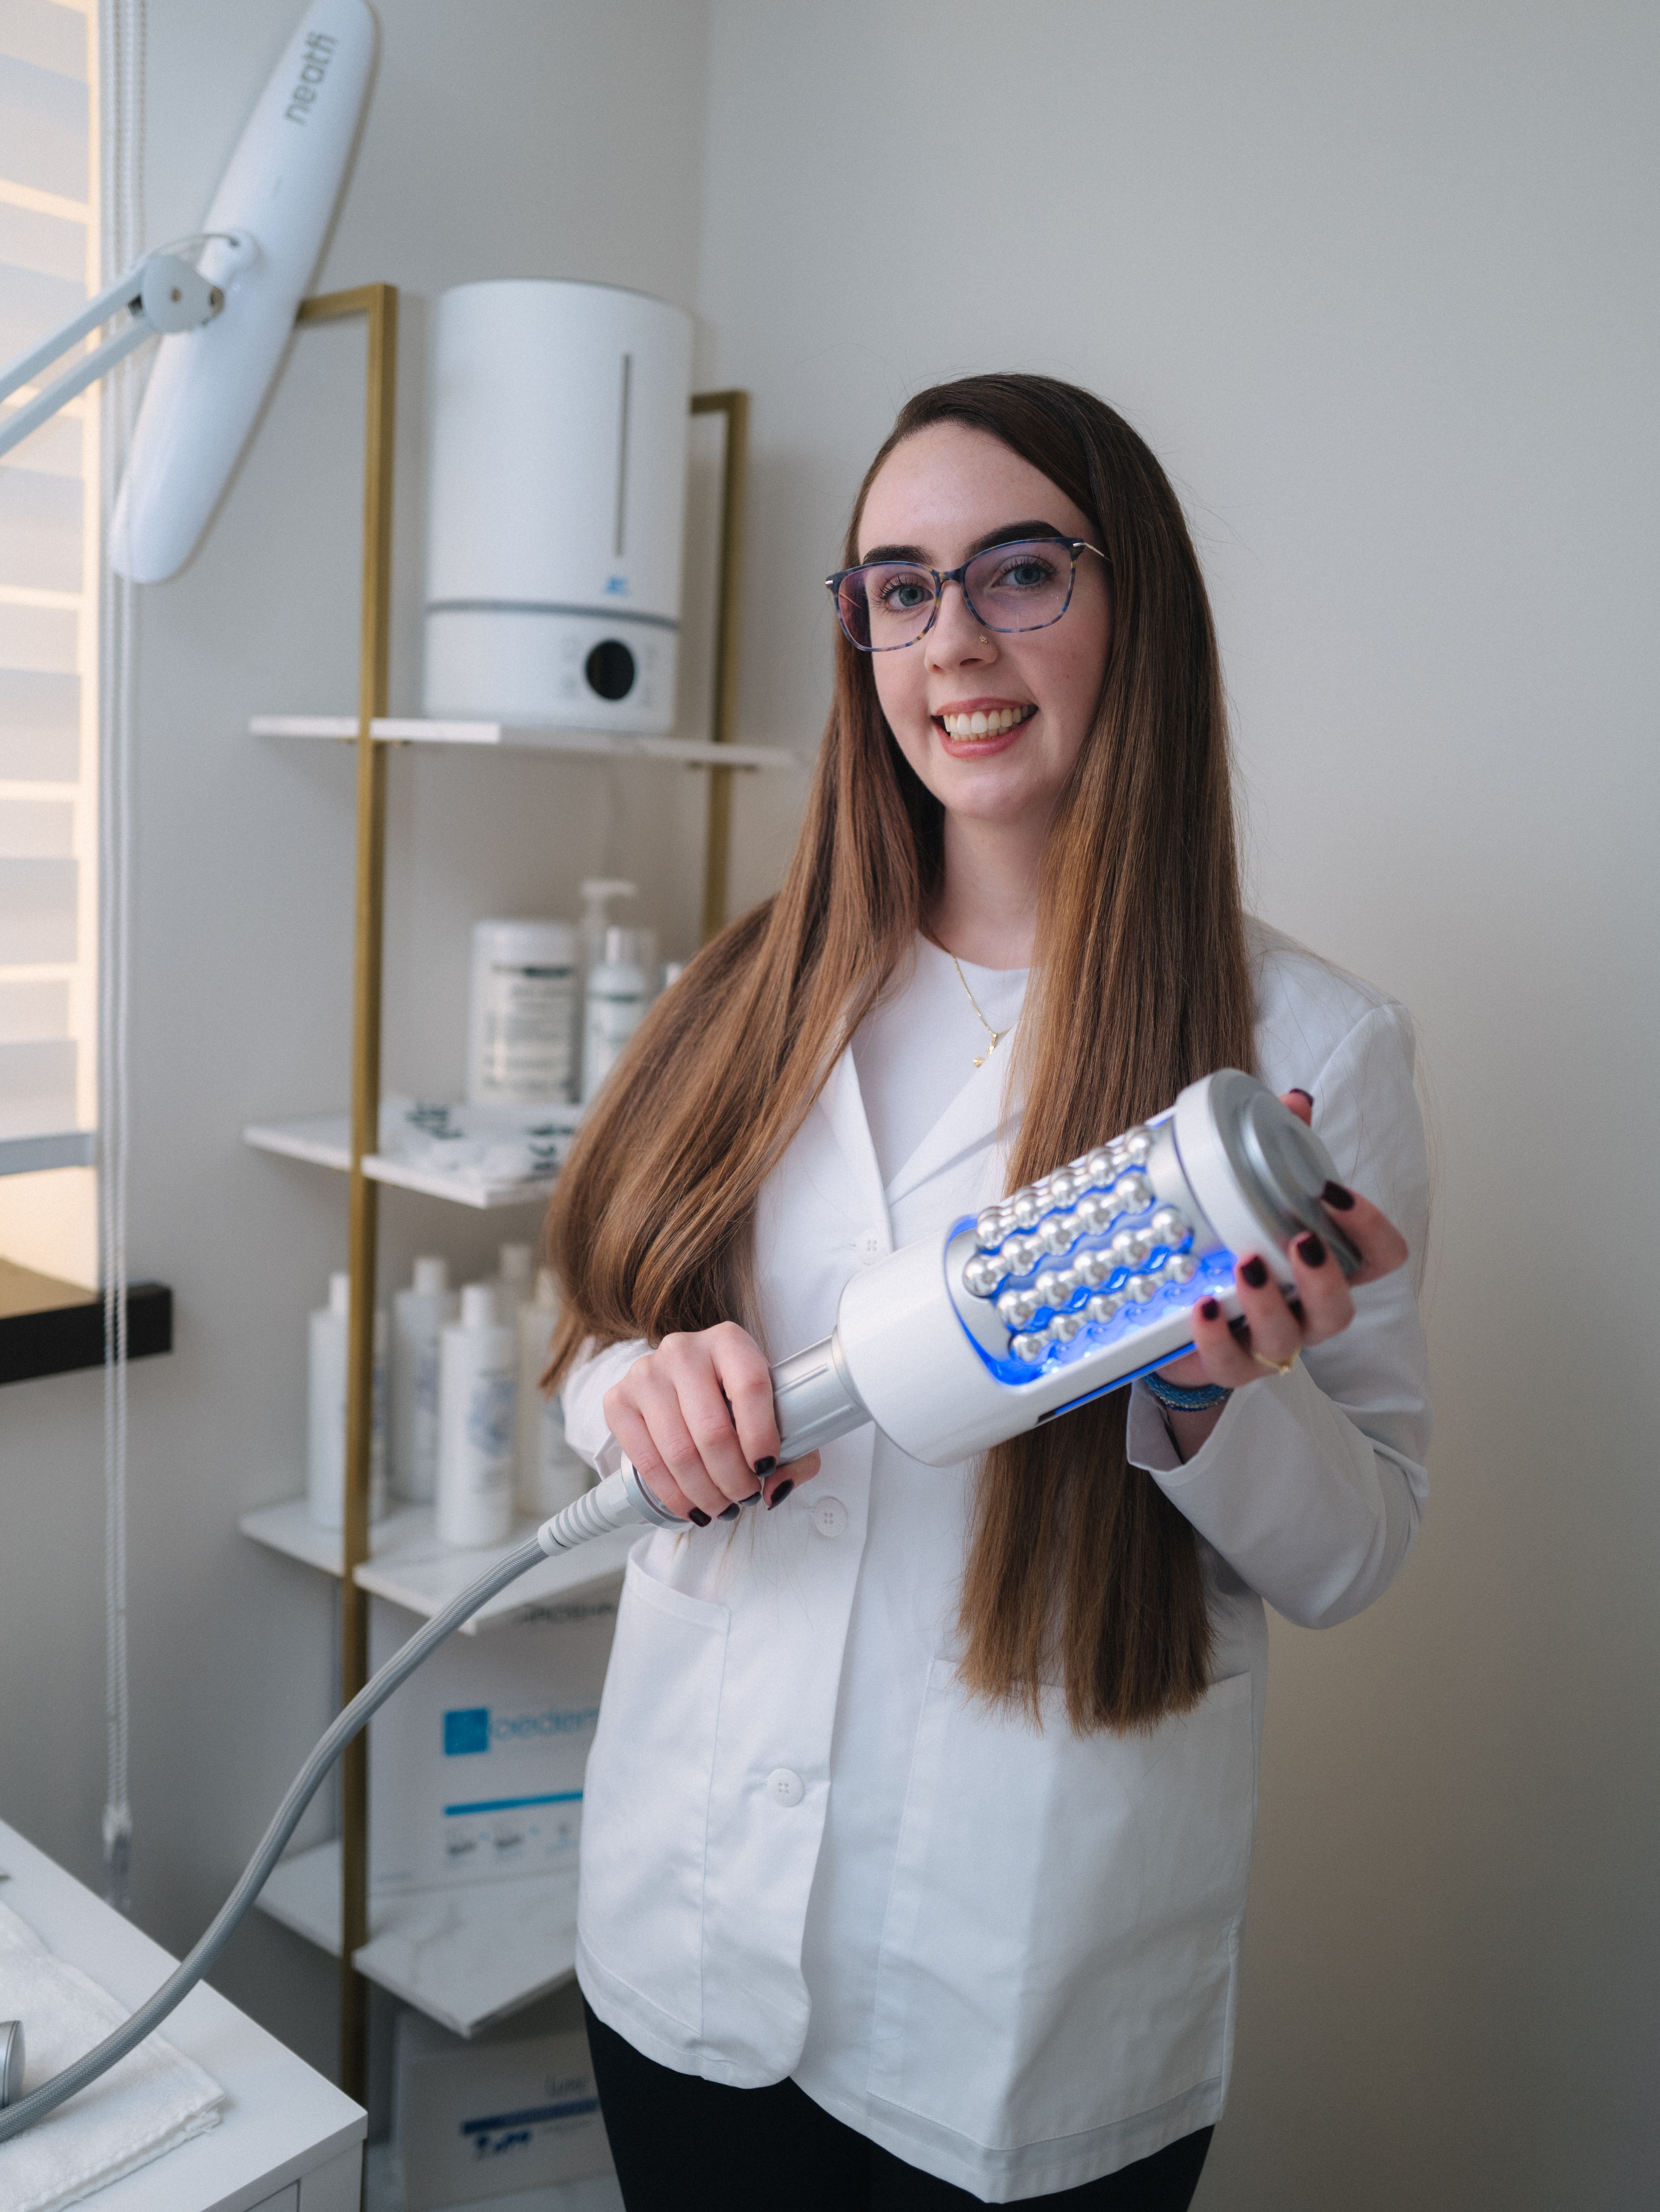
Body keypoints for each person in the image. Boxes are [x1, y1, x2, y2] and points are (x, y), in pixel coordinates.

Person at [544, 373, 1430, 2209]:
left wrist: (1206, 1400)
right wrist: (640, 1386)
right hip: (685, 1929)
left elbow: (1356, 1552)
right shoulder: (744, 991)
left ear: (1137, 611)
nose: (952, 639)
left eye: (1021, 572)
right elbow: (583, 1348)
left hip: (1020, 2005)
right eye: (896, 584)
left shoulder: (1308, 1055)